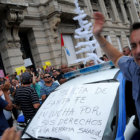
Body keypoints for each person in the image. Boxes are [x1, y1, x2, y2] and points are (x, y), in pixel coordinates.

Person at [93, 12, 140, 137]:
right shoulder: (135, 69)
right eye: (134, 46)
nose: (138, 51)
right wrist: (98, 36)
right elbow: (118, 58)